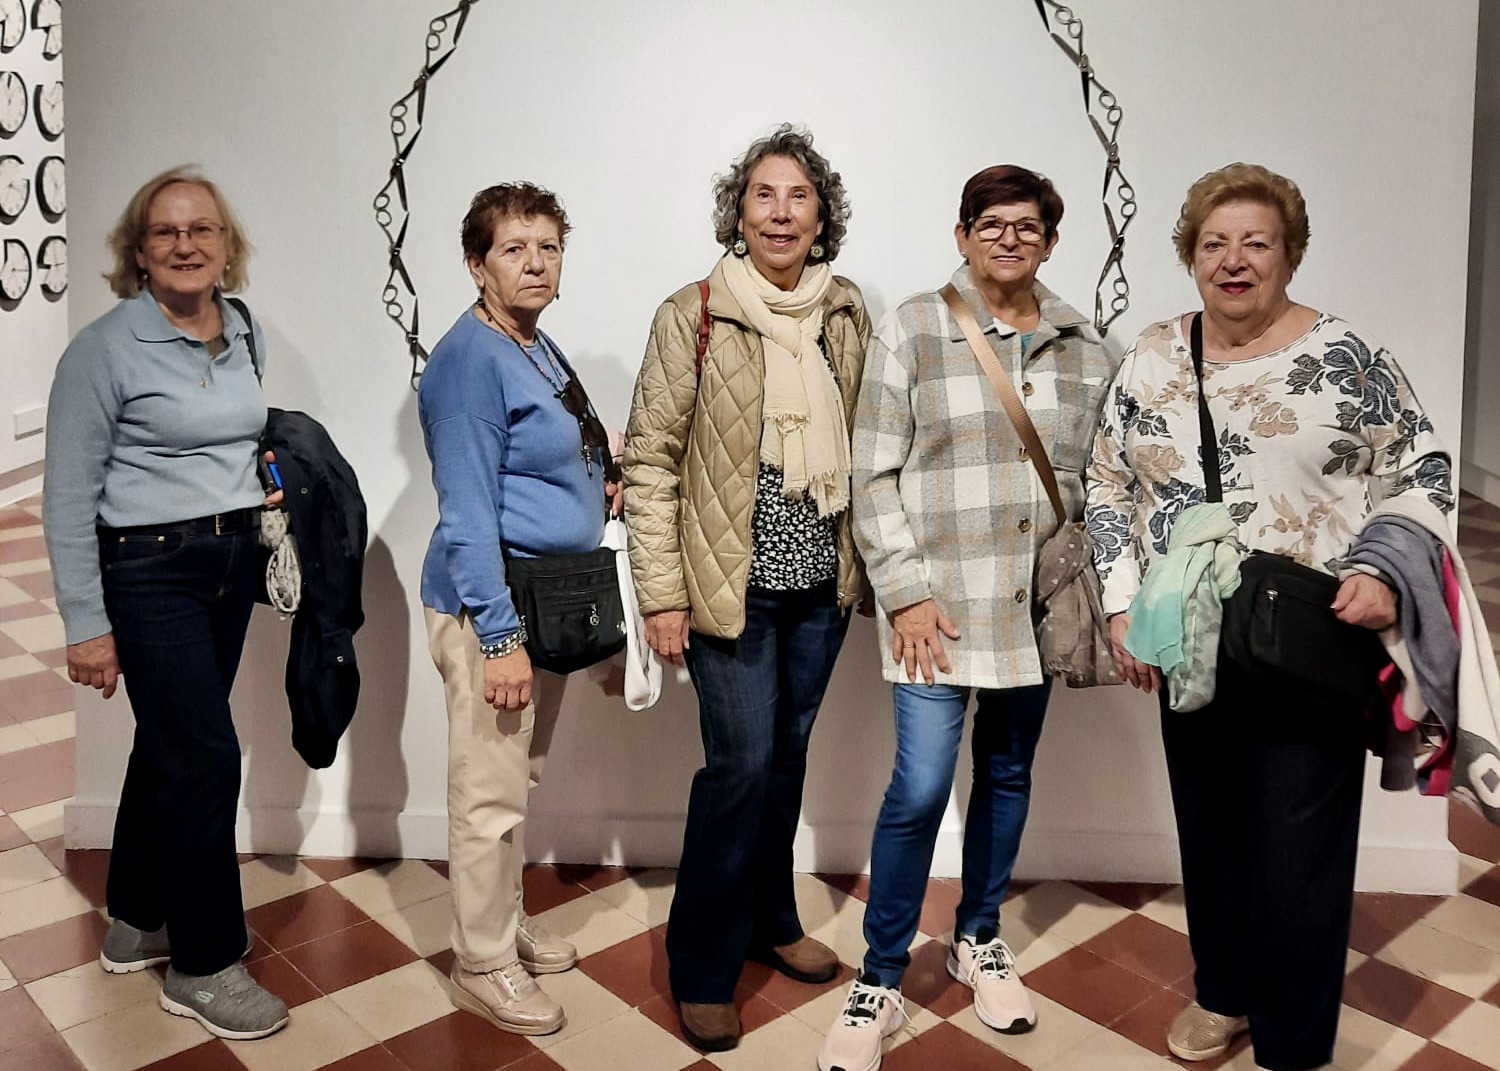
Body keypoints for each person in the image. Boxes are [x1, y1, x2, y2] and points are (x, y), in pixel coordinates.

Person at [1085, 163, 1452, 1071]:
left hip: (1309, 643)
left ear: (1290, 256)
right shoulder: (1152, 356)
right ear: (1191, 256)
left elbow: (1423, 473)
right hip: (1187, 640)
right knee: (1212, 835)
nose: (1234, 260)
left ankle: (1292, 1040)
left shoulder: (1347, 356)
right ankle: (1224, 994)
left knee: (1301, 851)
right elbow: (1105, 481)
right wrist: (1123, 604)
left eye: (1257, 242)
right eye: (1215, 243)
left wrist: (1383, 572)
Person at [820, 165, 1117, 1071]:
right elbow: (871, 472)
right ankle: (879, 974)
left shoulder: (1085, 346)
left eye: (1027, 226)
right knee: (917, 789)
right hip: (936, 610)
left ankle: (978, 935)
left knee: (1009, 773)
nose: (1009, 239)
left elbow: (1096, 477)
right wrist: (904, 591)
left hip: (1034, 608)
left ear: (1051, 242)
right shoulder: (914, 327)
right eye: (990, 224)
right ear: (963, 235)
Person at [623, 124, 870, 1052]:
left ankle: (772, 918)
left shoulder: (845, 310)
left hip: (818, 588)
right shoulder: (691, 313)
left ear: (821, 217)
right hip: (728, 589)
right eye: (763, 194)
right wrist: (662, 593)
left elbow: (870, 440)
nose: (780, 212)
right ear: (738, 212)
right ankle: (702, 966)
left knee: (786, 760)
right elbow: (651, 460)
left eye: (798, 196)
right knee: (739, 769)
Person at [42, 166, 288, 1040]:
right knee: (206, 756)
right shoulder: (102, 350)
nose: (186, 245)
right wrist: (85, 624)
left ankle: (138, 916)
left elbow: (243, 434)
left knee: (172, 744)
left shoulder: (243, 328)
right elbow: (67, 496)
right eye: (166, 232)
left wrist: (264, 483)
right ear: (138, 252)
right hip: (147, 570)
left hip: (231, 563)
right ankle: (204, 964)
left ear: (226, 244)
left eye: (201, 229)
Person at [418, 182, 620, 1037]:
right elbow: (467, 514)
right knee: (487, 792)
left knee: (515, 778)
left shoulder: (531, 341)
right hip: (494, 609)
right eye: (514, 248)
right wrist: (499, 639)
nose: (535, 263)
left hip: (548, 599)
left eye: (548, 246)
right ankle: (481, 961)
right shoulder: (470, 361)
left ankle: (499, 921)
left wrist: (599, 478)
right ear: (477, 264)